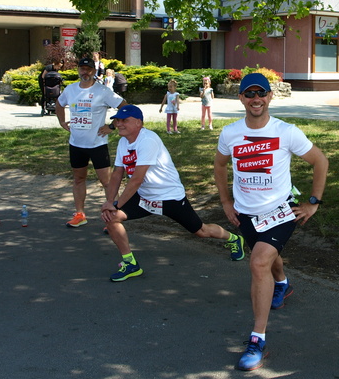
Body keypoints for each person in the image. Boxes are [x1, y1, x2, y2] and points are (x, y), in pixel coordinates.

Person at [214, 72, 328, 371]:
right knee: (268, 257)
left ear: (269, 97)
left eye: (261, 93)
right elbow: (220, 163)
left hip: (279, 211)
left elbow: (320, 161)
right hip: (245, 213)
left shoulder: (286, 132)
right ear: (241, 98)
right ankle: (283, 284)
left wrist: (313, 202)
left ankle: (257, 338)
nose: (256, 99)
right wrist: (226, 202)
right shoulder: (230, 133)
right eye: (249, 94)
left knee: (258, 261)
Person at [100, 105, 245, 281]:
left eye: (125, 120)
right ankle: (130, 264)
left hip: (169, 197)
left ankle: (234, 239)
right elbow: (117, 174)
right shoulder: (124, 142)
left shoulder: (148, 140)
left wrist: (117, 204)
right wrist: (110, 203)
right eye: (117, 120)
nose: (119, 124)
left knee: (201, 231)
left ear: (138, 122)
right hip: (145, 196)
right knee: (112, 217)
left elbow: (136, 179)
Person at [56, 57, 126, 228]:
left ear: (94, 71)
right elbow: (59, 104)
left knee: (107, 182)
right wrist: (62, 121)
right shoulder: (71, 89)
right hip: (76, 144)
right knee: (78, 179)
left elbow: (125, 107)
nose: (85, 72)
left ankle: (113, 217)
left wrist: (112, 126)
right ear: (78, 70)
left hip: (97, 144)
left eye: (88, 69)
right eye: (82, 69)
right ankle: (80, 214)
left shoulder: (103, 91)